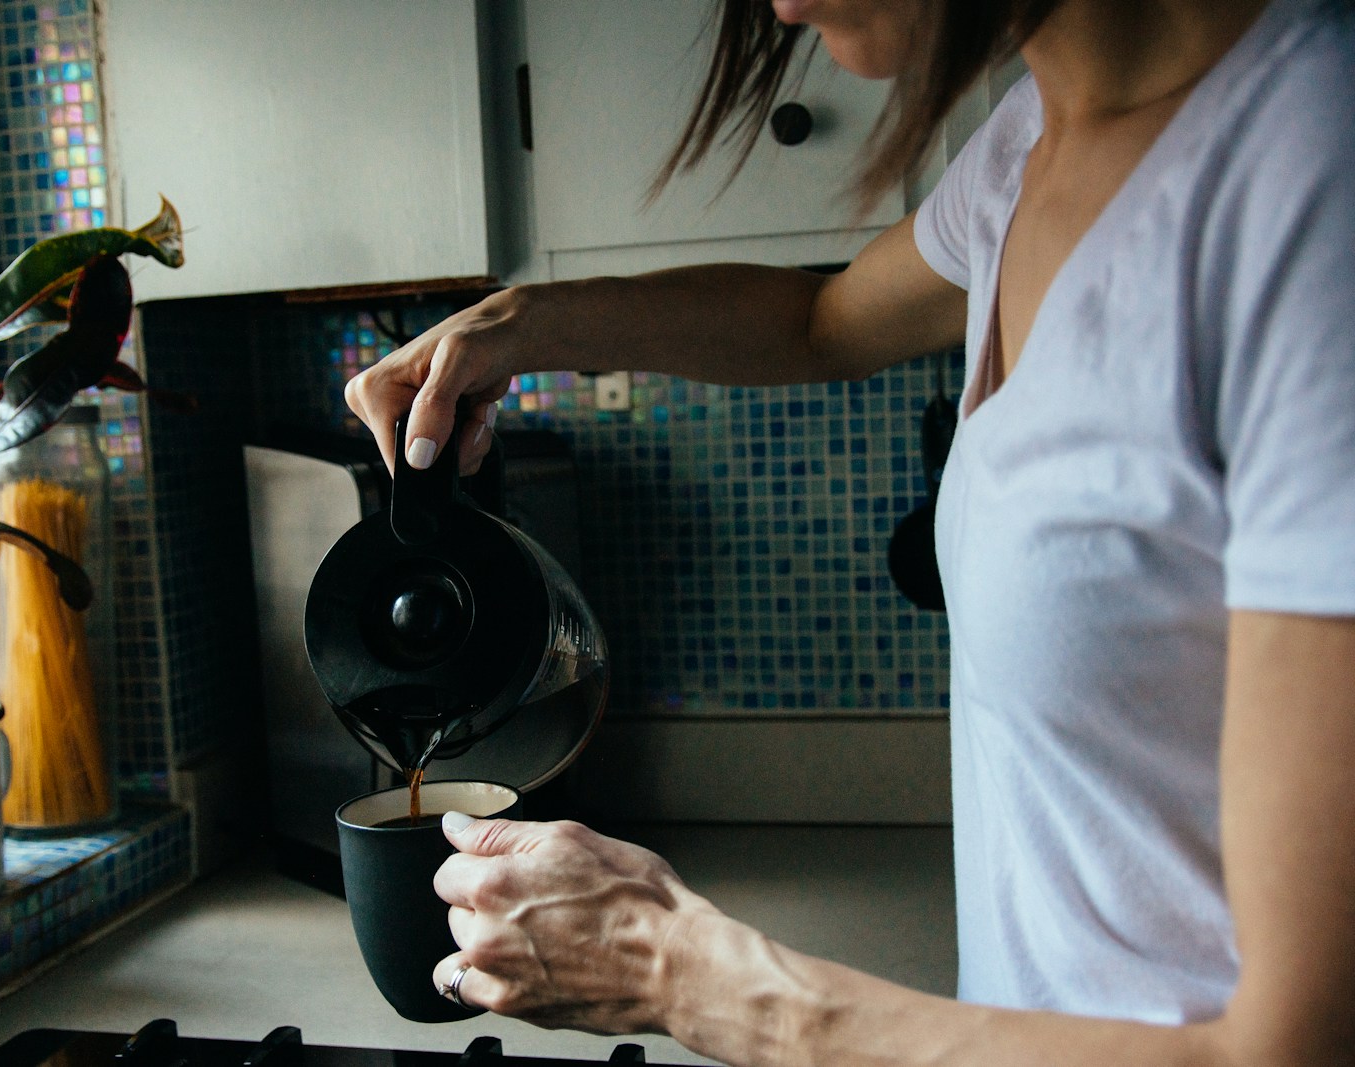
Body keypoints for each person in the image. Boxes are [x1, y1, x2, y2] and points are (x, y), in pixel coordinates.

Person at [342, 0, 1355, 1062]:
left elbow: (1291, 1048)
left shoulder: (1306, 173)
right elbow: (818, 323)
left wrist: (682, 973)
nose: (777, 5)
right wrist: (520, 320)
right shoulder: (1027, 141)